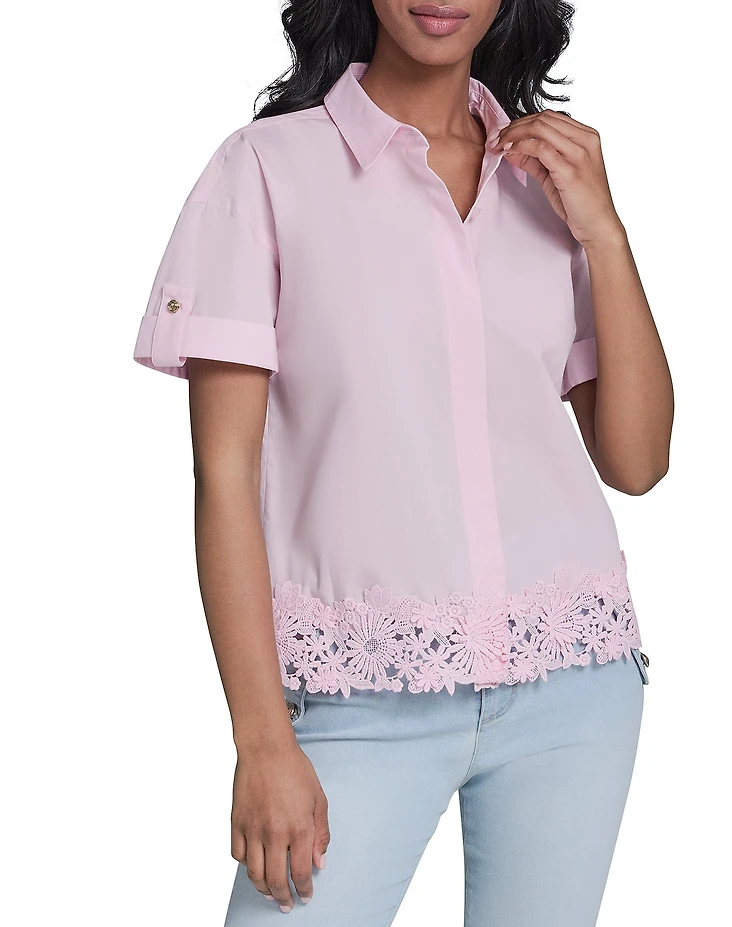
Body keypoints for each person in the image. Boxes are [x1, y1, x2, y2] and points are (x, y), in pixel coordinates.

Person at [132, 1, 673, 923]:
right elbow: (224, 479)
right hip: (354, 701)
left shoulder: (548, 180)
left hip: (572, 684)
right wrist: (261, 741)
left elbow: (637, 460)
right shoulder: (265, 171)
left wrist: (606, 235)